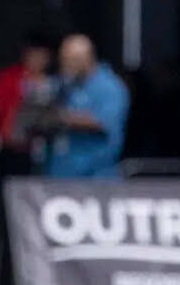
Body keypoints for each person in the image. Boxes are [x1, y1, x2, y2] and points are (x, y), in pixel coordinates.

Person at [0, 31, 54, 285]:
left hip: (41, 161)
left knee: (33, 226)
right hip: (10, 156)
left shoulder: (51, 85)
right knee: (5, 223)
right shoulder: (10, 78)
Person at [46, 34, 130, 178]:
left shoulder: (110, 86)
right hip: (61, 172)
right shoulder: (61, 84)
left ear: (88, 58)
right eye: (64, 59)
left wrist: (62, 117)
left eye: (73, 60)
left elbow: (103, 123)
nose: (67, 65)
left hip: (96, 175)